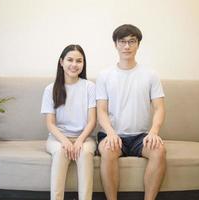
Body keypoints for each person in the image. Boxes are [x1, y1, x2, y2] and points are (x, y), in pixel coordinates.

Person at [96, 24, 166, 200]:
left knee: (159, 151)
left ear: (138, 45)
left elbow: (159, 108)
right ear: (116, 44)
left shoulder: (151, 74)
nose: (127, 46)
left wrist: (154, 131)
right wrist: (111, 133)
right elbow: (101, 110)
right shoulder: (104, 75)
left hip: (141, 136)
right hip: (112, 134)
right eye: (122, 42)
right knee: (108, 150)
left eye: (131, 41)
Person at [41, 44, 96, 200]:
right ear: (61, 62)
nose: (74, 64)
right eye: (70, 60)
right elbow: (50, 123)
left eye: (79, 61)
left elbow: (92, 121)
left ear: (83, 64)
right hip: (57, 138)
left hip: (84, 138)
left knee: (84, 153)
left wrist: (79, 141)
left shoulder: (90, 87)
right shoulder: (51, 89)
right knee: (60, 152)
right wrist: (65, 141)